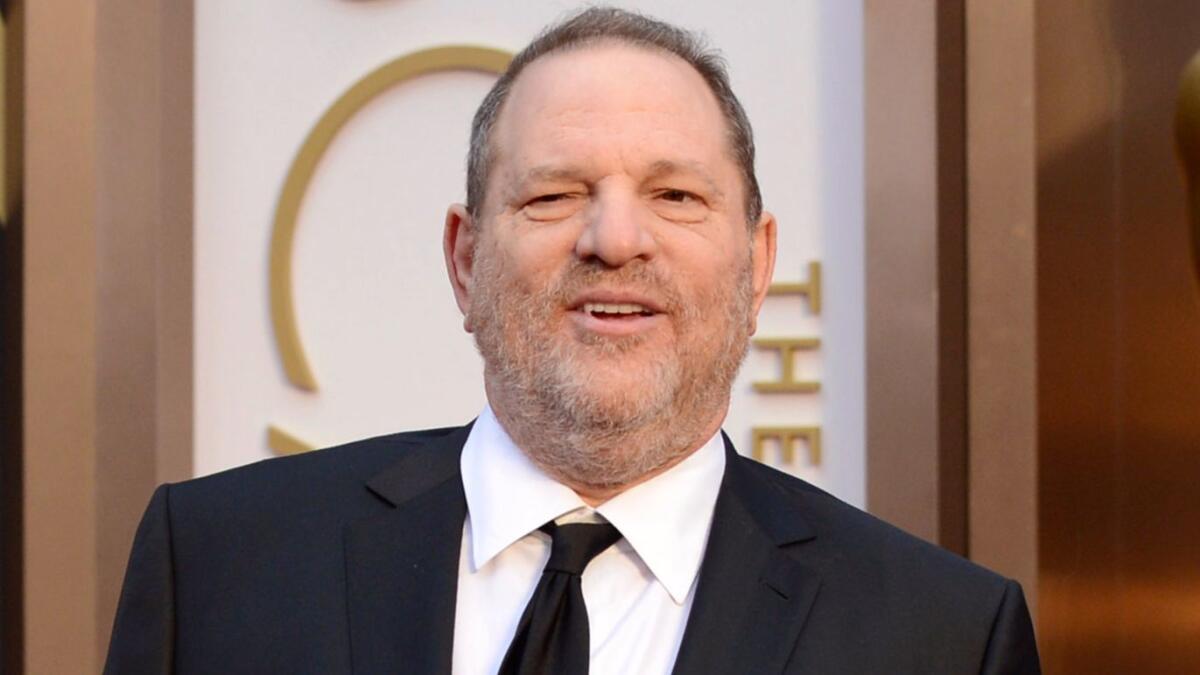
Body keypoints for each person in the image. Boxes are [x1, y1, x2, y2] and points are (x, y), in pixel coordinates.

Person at [105, 7, 1041, 674]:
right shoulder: (220, 564)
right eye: (554, 194)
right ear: (466, 260)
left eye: (675, 195)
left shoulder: (943, 637)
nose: (615, 239)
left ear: (757, 267)